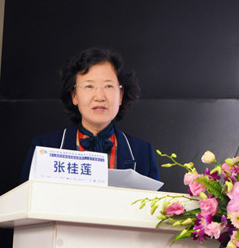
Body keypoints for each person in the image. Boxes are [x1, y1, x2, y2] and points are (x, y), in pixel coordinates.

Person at [20, 47, 159, 182]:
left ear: (121, 96)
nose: (99, 96)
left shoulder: (142, 153)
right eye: (89, 86)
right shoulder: (44, 147)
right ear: (74, 96)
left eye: (108, 86)